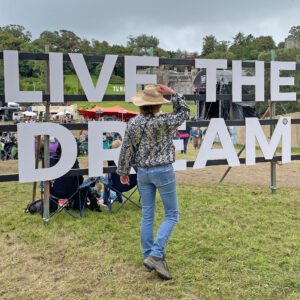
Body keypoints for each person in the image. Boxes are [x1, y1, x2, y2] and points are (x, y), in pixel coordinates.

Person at [117, 84, 190, 280]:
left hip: (142, 172)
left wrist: (123, 171)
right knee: (172, 214)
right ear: (158, 106)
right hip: (163, 170)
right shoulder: (164, 121)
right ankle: (156, 255)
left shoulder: (132, 123)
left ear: (141, 105)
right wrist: (173, 94)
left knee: (147, 214)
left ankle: (148, 254)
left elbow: (126, 149)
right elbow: (185, 112)